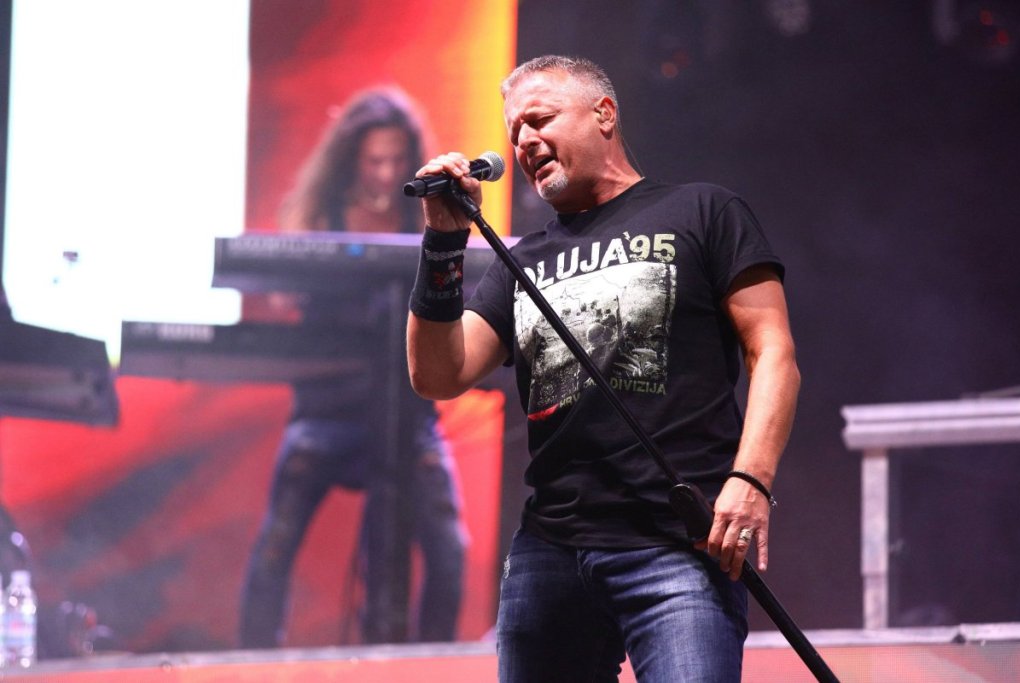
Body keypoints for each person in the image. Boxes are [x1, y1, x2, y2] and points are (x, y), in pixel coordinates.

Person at [406, 56, 799, 682]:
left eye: (540, 120)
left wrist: (751, 480)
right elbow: (437, 374)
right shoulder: (523, 260)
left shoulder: (702, 211)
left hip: (676, 544)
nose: (524, 142)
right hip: (550, 551)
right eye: (514, 132)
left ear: (604, 114)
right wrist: (444, 242)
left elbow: (772, 351)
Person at [240, 88, 468, 647]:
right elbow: (283, 293)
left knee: (451, 551)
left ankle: (427, 665)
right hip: (328, 411)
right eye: (374, 160)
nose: (386, 172)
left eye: (396, 159)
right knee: (275, 546)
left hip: (409, 418)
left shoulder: (423, 216)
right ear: (352, 159)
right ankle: (252, 661)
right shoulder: (323, 215)